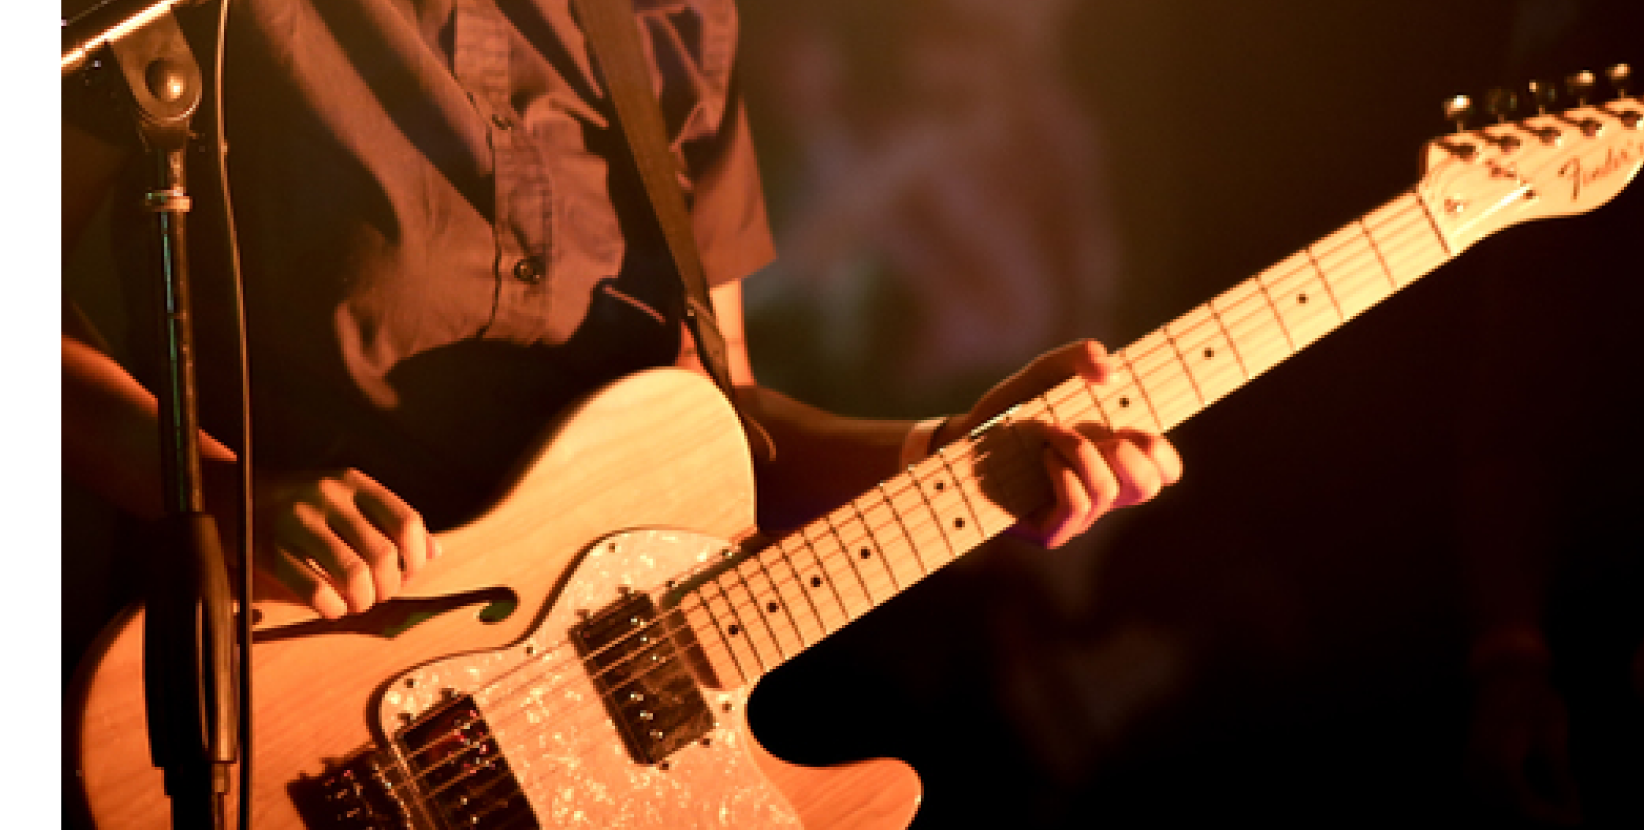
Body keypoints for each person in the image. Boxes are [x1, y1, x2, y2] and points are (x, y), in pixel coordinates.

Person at [60, 0, 1179, 625]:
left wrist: (950, 455)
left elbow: (727, 435)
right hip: (281, 687)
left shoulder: (673, 26)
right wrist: (217, 496)